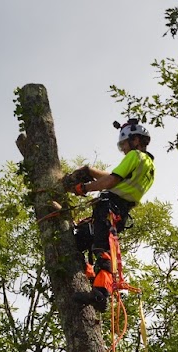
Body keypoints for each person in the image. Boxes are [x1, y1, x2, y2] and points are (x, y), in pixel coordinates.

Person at [65, 118, 156, 312]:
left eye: (124, 144)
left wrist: (84, 188)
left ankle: (100, 293)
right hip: (118, 212)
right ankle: (90, 276)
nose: (123, 149)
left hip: (109, 209)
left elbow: (111, 181)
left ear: (135, 140)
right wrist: (90, 171)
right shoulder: (149, 167)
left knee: (102, 248)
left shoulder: (135, 156)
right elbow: (116, 179)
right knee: (81, 239)